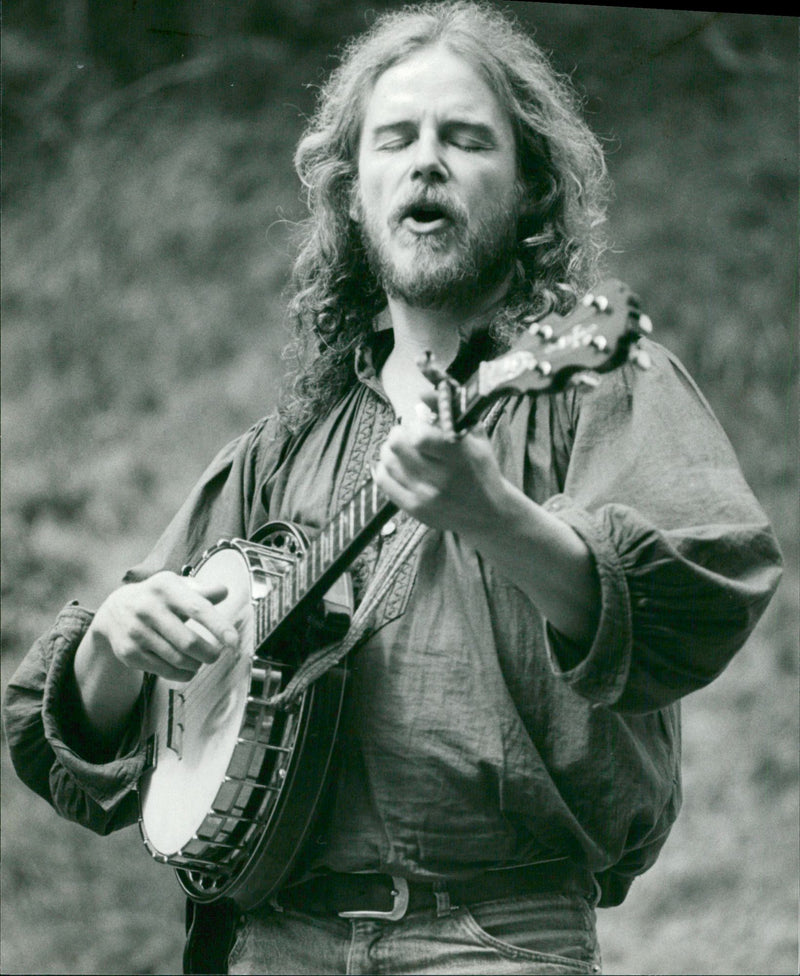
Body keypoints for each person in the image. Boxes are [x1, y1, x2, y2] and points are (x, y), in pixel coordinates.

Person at [3, 2, 783, 974]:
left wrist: (494, 517)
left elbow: (697, 595)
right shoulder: (283, 448)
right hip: (273, 936)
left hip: (498, 938)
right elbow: (70, 725)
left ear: (530, 186)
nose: (426, 162)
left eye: (465, 139)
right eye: (394, 140)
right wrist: (118, 641)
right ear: (353, 193)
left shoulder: (592, 383)